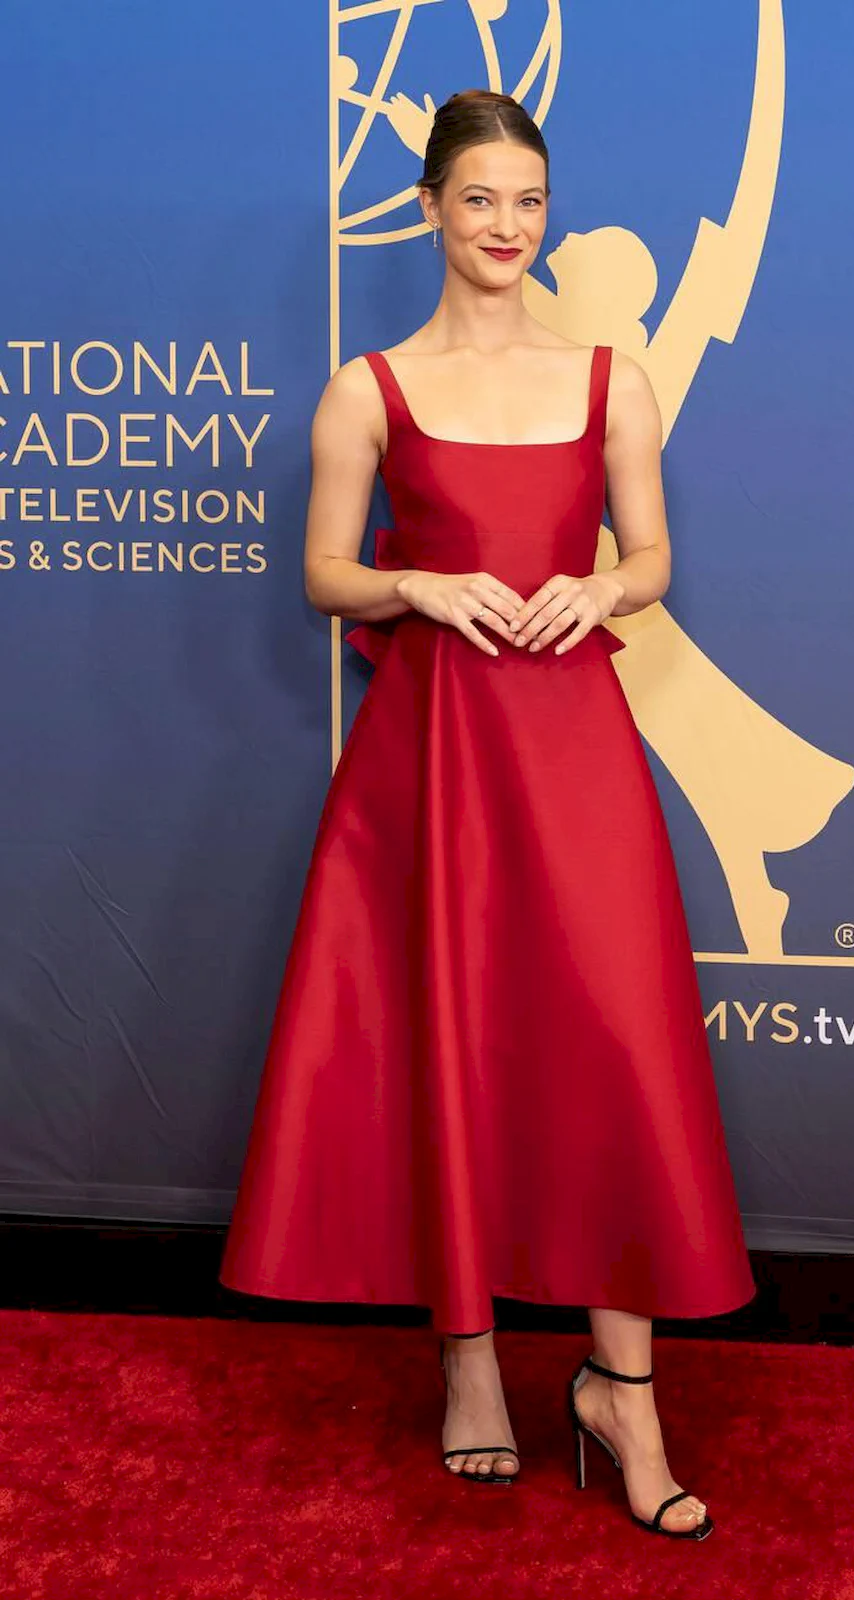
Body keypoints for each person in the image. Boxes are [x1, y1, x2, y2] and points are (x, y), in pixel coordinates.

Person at [219, 88, 756, 1542]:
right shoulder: (367, 390)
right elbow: (326, 574)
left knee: (614, 1043)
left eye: (528, 201)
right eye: (479, 200)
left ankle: (623, 1392)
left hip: (576, 744)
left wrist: (603, 584)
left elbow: (651, 556)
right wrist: (417, 582)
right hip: (434, 755)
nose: (507, 226)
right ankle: (469, 1363)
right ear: (430, 210)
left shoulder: (612, 380)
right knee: (448, 1034)